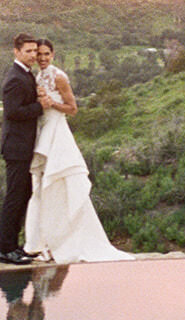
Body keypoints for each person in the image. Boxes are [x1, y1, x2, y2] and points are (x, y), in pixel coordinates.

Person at [24, 39, 132, 263]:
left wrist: (50, 103)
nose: (42, 58)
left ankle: (67, 240)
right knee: (44, 188)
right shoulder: (37, 76)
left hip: (57, 133)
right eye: (39, 54)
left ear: (53, 54)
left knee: (61, 184)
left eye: (46, 54)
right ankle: (45, 241)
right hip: (43, 131)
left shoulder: (59, 77)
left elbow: (73, 109)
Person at [0, 33, 51, 265]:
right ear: (16, 52)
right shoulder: (15, 78)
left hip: (23, 147)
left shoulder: (25, 74)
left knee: (22, 196)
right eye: (28, 51)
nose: (32, 55)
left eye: (34, 51)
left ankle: (14, 246)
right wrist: (40, 107)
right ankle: (5, 249)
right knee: (14, 197)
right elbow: (13, 112)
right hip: (16, 147)